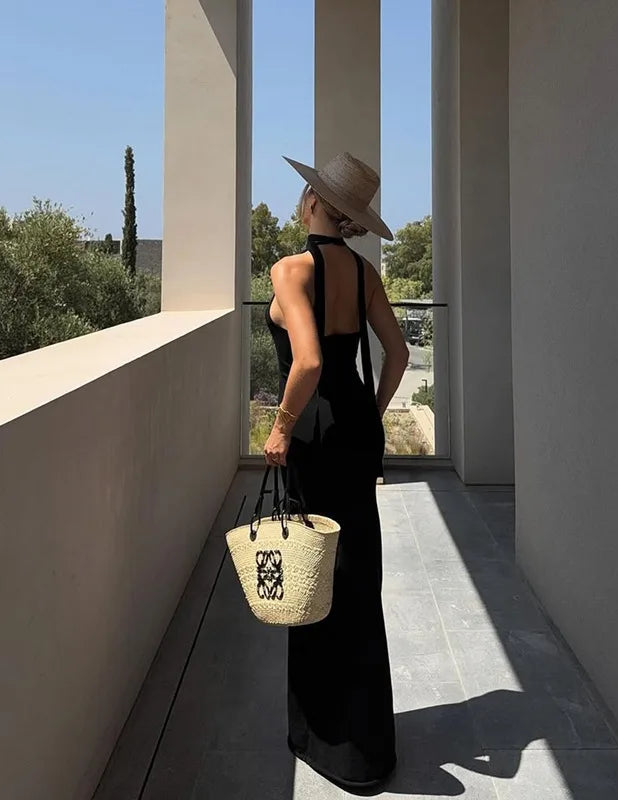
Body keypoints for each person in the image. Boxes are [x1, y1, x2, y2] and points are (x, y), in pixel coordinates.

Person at [263, 151, 410, 791]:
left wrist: (280, 426)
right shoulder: (366, 271)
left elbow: (309, 363)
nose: (303, 199)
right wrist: (370, 415)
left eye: (307, 192)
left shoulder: (290, 269)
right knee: (356, 573)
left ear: (318, 205)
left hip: (317, 434)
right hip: (354, 428)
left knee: (312, 571)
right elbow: (398, 353)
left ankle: (321, 734)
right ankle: (368, 743)